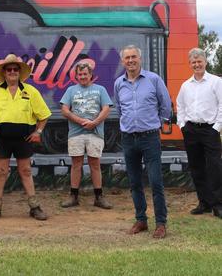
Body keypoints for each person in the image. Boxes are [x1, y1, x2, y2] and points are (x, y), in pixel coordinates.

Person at [0, 53, 50, 221]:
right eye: (8, 69)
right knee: (1, 171)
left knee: (26, 170)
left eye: (15, 69)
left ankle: (34, 206)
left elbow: (44, 114)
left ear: (19, 71)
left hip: (24, 138)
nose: (12, 72)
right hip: (1, 138)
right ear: (3, 72)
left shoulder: (30, 91)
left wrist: (38, 132)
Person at [114, 45, 171, 238]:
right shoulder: (118, 84)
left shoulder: (154, 80)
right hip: (129, 139)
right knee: (134, 182)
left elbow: (165, 106)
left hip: (150, 138)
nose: (130, 60)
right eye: (127, 58)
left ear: (140, 58)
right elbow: (120, 109)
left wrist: (156, 124)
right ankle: (141, 220)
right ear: (123, 61)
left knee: (156, 181)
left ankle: (161, 224)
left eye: (134, 57)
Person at [59, 62, 114, 209]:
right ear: (76, 76)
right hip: (76, 133)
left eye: (85, 74)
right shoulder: (71, 90)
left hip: (95, 134)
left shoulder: (100, 89)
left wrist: (94, 123)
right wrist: (80, 121)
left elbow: (106, 109)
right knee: (76, 164)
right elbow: (64, 109)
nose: (82, 76)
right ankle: (73, 196)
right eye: (80, 74)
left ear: (91, 75)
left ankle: (98, 197)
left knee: (94, 164)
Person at [176, 47, 222, 219]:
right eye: (193, 62)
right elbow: (179, 105)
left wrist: (216, 128)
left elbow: (221, 105)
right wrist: (182, 125)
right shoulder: (185, 85)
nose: (197, 64)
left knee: (215, 167)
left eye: (199, 61)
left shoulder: (216, 82)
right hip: (191, 131)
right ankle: (204, 202)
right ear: (190, 64)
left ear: (205, 61)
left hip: (210, 130)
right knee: (196, 168)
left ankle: (218, 204)